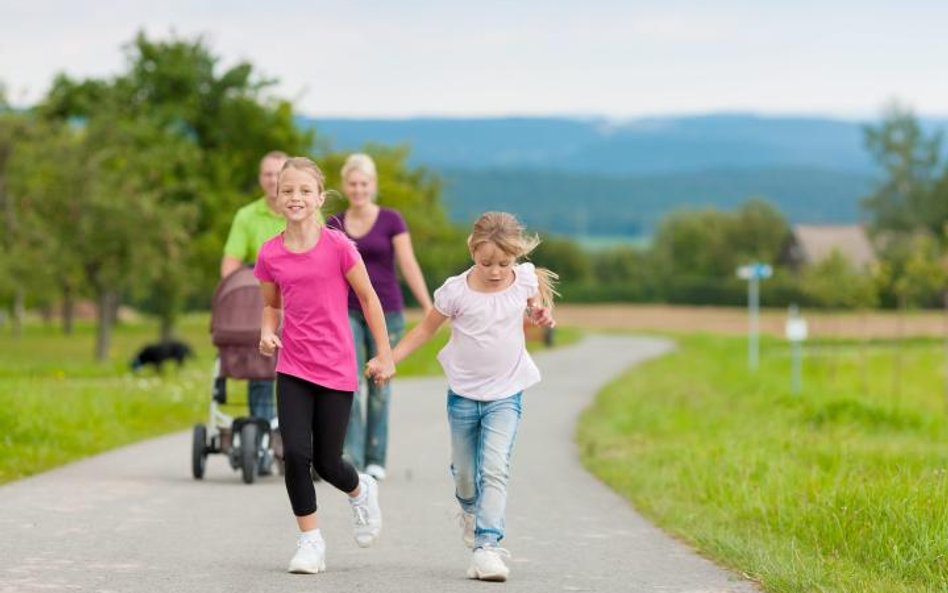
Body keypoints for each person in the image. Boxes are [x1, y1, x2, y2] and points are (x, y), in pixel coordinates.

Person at [366, 211, 557, 582]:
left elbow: (536, 305)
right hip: (464, 396)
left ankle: (487, 547)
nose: (497, 270)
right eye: (487, 262)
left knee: (495, 468)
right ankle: (469, 510)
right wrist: (388, 360)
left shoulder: (524, 279)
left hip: (506, 393)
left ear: (515, 257)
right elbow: (424, 330)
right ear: (473, 251)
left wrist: (541, 313)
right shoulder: (455, 290)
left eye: (504, 262)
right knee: (465, 476)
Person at [255, 156, 396, 574]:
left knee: (328, 462)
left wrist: (385, 353)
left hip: (336, 367)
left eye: (304, 191)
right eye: (287, 191)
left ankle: (360, 491)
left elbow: (369, 299)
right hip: (293, 366)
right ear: (277, 198)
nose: (295, 197)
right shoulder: (271, 253)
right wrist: (267, 332)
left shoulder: (338, 246)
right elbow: (269, 304)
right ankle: (310, 541)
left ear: (319, 197)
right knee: (296, 455)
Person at [327, 153, 433, 481]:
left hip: (386, 310)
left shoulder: (391, 220)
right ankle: (353, 458)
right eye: (353, 184)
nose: (358, 189)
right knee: (350, 383)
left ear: (373, 185)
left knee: (380, 384)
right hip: (347, 309)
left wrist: (428, 306)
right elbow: (326, 270)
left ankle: (375, 458)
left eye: (364, 183)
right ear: (345, 186)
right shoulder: (335, 223)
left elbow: (409, 263)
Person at [221, 151, 288, 429]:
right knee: (261, 360)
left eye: (279, 174)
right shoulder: (246, 216)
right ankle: (262, 432)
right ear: (261, 179)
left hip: (296, 299)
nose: (273, 180)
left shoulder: (306, 211)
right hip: (260, 299)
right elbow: (230, 264)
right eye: (268, 174)